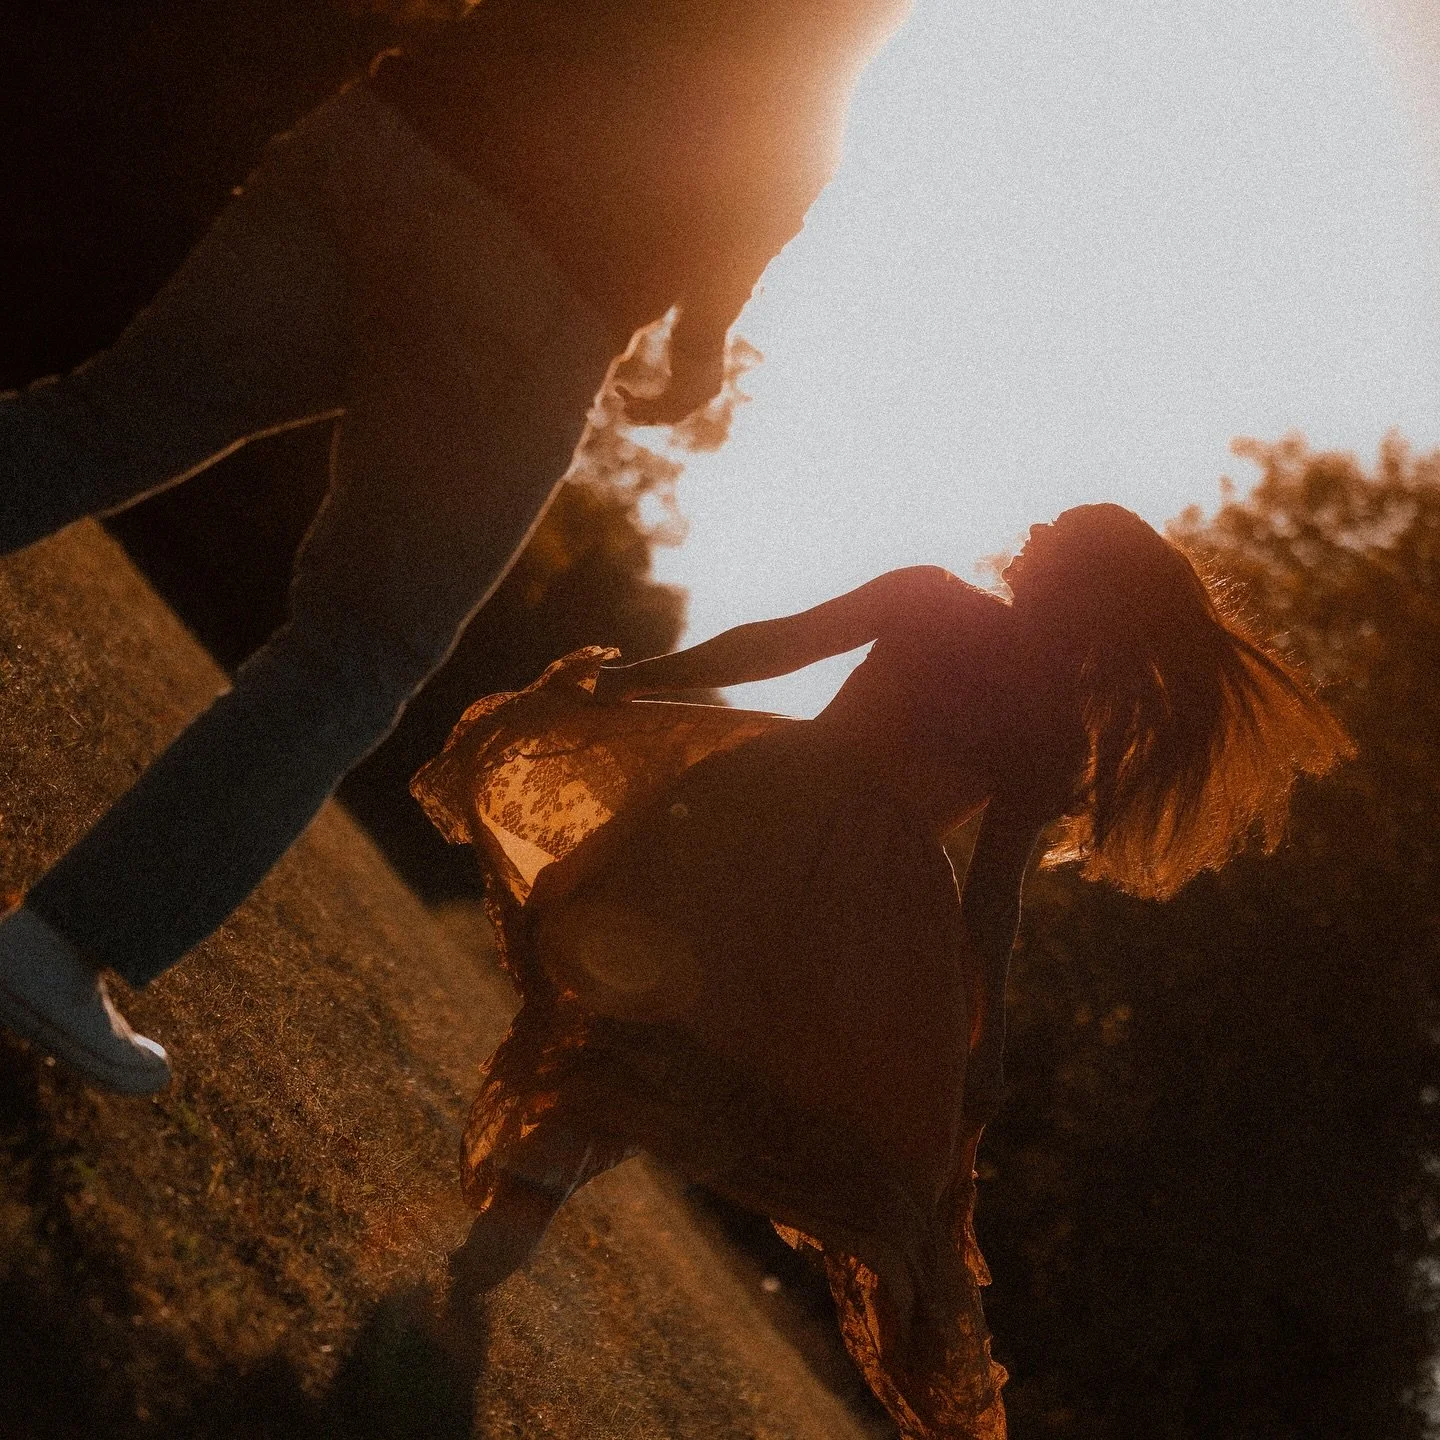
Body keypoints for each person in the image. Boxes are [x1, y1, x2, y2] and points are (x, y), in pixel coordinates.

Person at [0, 0, 909, 1093]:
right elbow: (784, 141)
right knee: (353, 656)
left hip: (384, 135)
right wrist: (704, 338)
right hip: (537, 277)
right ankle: (59, 947)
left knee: (103, 422)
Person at [411, 503, 1352, 1439]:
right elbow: (990, 905)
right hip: (876, 900)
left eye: (1053, 534)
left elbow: (769, 647)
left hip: (766, 809)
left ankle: (528, 1193)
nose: (1029, 533)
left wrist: (630, 682)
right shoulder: (1055, 725)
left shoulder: (930, 601)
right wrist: (977, 1034)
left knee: (649, 1021)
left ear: (1077, 579)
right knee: (707, 1057)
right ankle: (529, 1196)